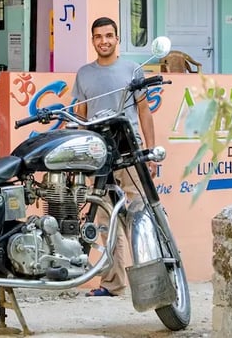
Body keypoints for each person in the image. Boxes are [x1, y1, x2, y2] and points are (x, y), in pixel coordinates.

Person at [72, 17, 158, 297]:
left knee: (138, 218)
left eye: (109, 36)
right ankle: (113, 284)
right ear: (93, 40)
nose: (104, 41)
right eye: (98, 36)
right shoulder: (84, 74)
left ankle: (154, 281)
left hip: (129, 154)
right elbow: (81, 116)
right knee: (104, 223)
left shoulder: (132, 70)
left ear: (117, 39)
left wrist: (150, 153)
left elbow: (144, 112)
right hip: (99, 156)